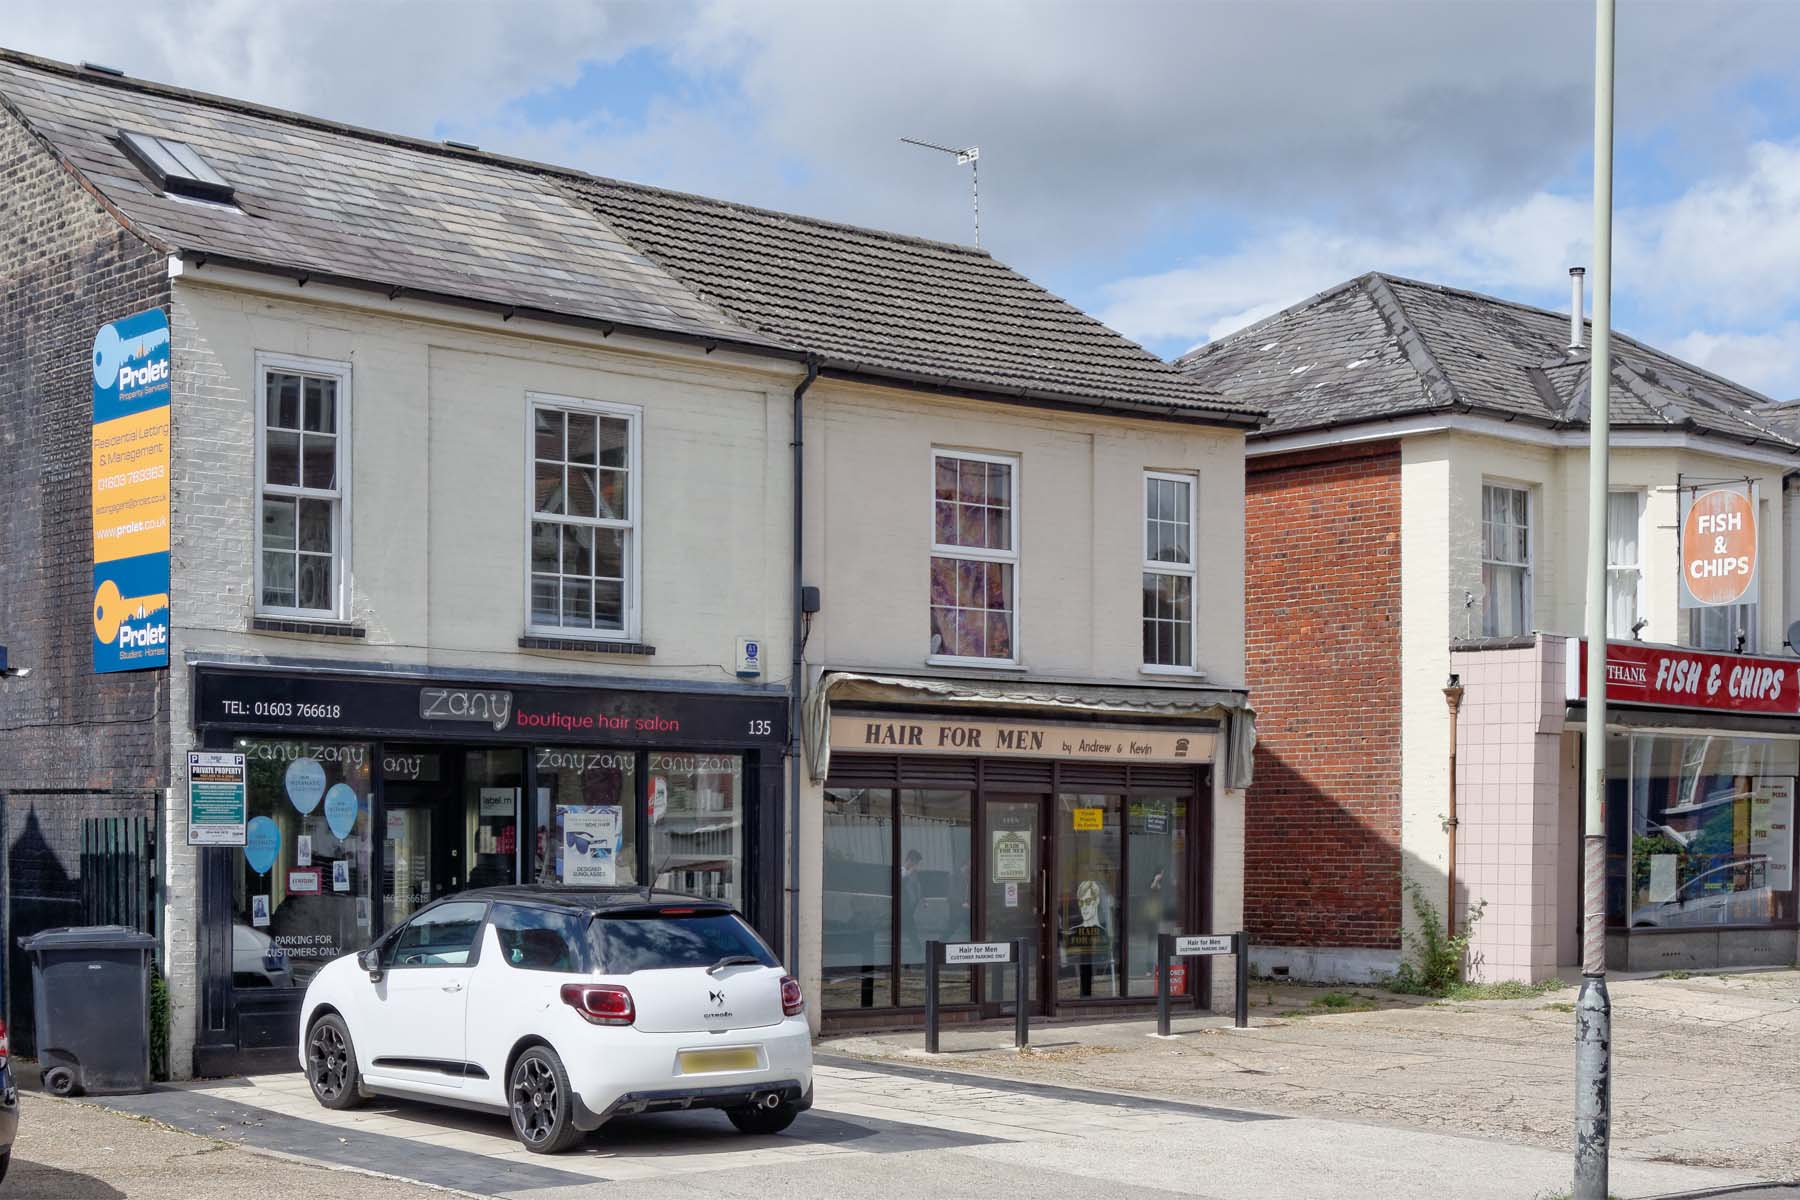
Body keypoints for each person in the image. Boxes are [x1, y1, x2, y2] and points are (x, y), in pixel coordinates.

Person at [899, 849, 925, 959]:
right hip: (902, 908)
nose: (917, 866)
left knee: (908, 930)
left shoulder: (914, 875)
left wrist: (922, 900)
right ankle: (919, 952)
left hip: (909, 908)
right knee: (910, 930)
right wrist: (909, 874)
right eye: (916, 863)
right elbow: (898, 884)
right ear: (910, 860)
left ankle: (918, 951)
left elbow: (917, 888)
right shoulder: (902, 871)